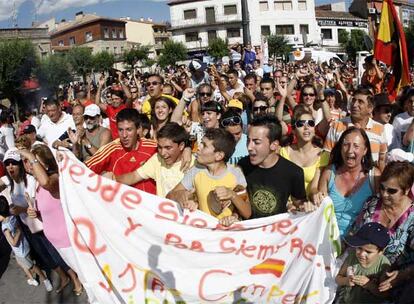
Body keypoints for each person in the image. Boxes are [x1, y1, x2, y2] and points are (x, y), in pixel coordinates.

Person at [19, 145, 84, 296]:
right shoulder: (36, 185)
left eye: (34, 162)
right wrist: (35, 212)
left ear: (46, 164)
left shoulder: (54, 179)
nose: (29, 164)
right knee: (83, 275)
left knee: (87, 277)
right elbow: (49, 213)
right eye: (27, 161)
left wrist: (30, 155)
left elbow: (46, 183)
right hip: (58, 243)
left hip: (69, 241)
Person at [350, 162, 414, 303]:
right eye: (382, 188)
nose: (384, 194)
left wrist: (403, 275)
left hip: (394, 286)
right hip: (358, 278)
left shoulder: (412, 217)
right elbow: (355, 235)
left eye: (392, 191)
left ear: (406, 189)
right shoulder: (372, 203)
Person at [167, 128, 250, 227]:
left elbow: (247, 212)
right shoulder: (196, 170)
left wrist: (232, 195)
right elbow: (169, 196)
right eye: (200, 143)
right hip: (204, 234)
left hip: (228, 236)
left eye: (204, 145)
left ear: (219, 156)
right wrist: (182, 197)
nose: (198, 147)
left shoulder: (236, 173)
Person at [238, 115, 308, 218]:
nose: (249, 147)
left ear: (274, 145)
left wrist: (306, 205)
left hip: (276, 231)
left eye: (256, 142)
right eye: (248, 140)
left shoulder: (294, 172)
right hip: (249, 231)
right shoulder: (242, 166)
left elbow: (299, 201)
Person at [316, 127, 380, 236]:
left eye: (356, 146)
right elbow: (319, 208)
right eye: (346, 145)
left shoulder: (374, 177)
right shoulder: (329, 172)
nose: (350, 150)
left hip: (357, 242)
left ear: (365, 150)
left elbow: (379, 212)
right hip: (326, 237)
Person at [86, 108, 157, 194]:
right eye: (120, 130)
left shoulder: (153, 147)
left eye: (129, 130)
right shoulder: (112, 149)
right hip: (122, 204)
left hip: (151, 203)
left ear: (138, 129)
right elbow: (85, 167)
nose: (124, 135)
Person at [116, 123, 195, 198]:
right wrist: (110, 179)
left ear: (181, 146)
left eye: (168, 148)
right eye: (160, 147)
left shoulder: (194, 164)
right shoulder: (157, 159)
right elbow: (134, 176)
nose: (163, 153)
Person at [324, 88, 387, 171]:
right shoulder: (337, 125)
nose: (354, 105)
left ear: (370, 108)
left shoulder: (380, 129)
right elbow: (327, 156)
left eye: (360, 102)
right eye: (353, 100)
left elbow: (382, 160)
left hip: (369, 181)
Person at [0, 197, 53, 292]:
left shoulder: (5, 227)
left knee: (32, 266)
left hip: (21, 251)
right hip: (24, 245)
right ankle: (31, 279)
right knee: (20, 262)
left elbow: (13, 243)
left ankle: (45, 280)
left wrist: (18, 230)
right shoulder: (12, 214)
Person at [280, 106, 330, 199]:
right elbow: (282, 185)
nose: (306, 127)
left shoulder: (323, 155)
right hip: (287, 207)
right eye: (301, 124)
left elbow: (314, 188)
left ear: (314, 129)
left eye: (310, 123)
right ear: (294, 130)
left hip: (309, 207)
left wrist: (315, 195)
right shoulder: (283, 152)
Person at [336, 222, 391, 303]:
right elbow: (338, 278)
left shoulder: (384, 265)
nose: (361, 254)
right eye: (359, 248)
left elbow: (385, 294)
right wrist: (346, 281)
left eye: (368, 252)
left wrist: (369, 285)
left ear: (381, 251)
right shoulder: (352, 256)